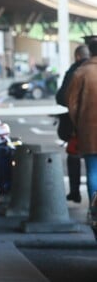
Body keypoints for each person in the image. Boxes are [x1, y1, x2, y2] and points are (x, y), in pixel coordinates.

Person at [56, 44, 90, 203]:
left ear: (77, 56)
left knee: (75, 156)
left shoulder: (76, 71)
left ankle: (75, 191)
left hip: (78, 126)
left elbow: (62, 97)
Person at [66, 36, 97, 207]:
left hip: (89, 131)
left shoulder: (81, 72)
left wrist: (79, 123)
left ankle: (94, 211)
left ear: (90, 52)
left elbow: (72, 103)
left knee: (93, 171)